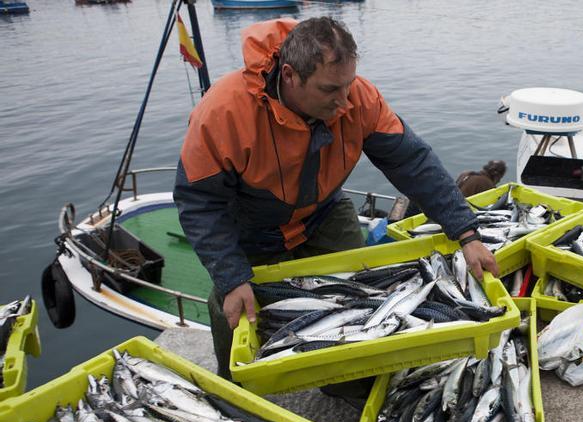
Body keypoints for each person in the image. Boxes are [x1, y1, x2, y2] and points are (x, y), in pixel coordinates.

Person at [173, 17, 498, 388]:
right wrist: (231, 278)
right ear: (291, 76)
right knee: (234, 307)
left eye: (349, 84)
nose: (344, 101)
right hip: (249, 226)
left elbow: (413, 163)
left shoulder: (357, 97)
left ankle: (348, 379)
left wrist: (466, 232)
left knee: (357, 294)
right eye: (330, 89)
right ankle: (236, 388)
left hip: (323, 212)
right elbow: (199, 202)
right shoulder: (223, 111)